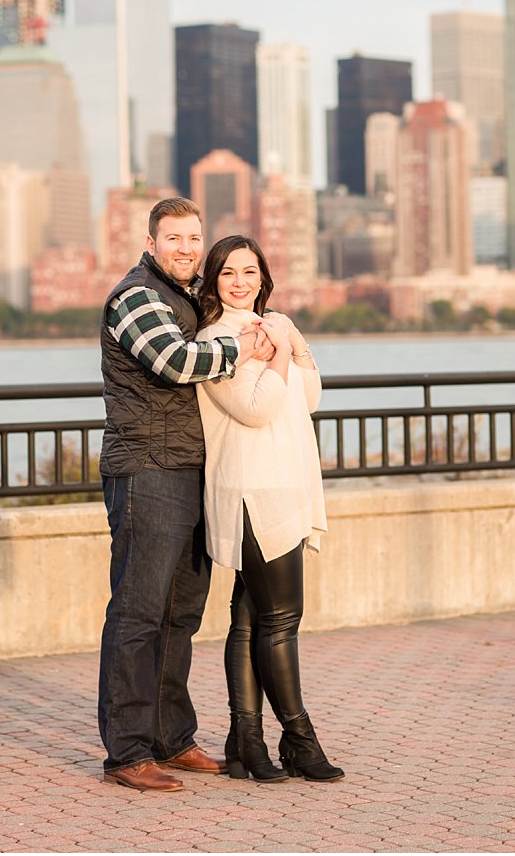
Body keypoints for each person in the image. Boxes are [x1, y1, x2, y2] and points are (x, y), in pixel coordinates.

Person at [97, 197, 271, 792]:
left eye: (194, 238)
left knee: (181, 615)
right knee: (137, 614)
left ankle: (172, 739)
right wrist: (244, 348)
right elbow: (174, 361)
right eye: (174, 238)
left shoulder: (190, 297)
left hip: (193, 470)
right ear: (152, 243)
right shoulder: (135, 296)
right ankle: (127, 752)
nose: (186, 248)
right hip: (146, 469)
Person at [193, 235, 342, 783]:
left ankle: (245, 740)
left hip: (285, 486)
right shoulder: (214, 339)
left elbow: (309, 398)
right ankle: (299, 738)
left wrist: (294, 344)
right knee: (281, 620)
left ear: (263, 277)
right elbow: (255, 409)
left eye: (249, 272)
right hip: (252, 489)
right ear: (214, 280)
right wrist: (276, 353)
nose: (240, 281)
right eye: (228, 272)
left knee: (250, 616)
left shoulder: (272, 325)